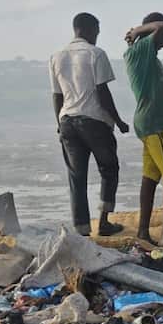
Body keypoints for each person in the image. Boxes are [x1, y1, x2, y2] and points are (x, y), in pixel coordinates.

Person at [50, 12, 129, 237]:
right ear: (88, 29)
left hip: (67, 120)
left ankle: (82, 231)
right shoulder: (96, 54)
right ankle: (104, 223)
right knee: (108, 168)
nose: (98, 35)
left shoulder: (56, 56)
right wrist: (119, 121)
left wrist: (59, 123)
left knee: (77, 177)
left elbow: (56, 96)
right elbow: (102, 92)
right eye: (97, 30)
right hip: (94, 121)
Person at [123, 13, 163, 248]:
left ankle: (142, 231)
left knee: (151, 176)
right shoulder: (140, 52)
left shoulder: (147, 56)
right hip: (155, 124)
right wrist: (139, 30)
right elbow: (162, 25)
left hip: (155, 123)